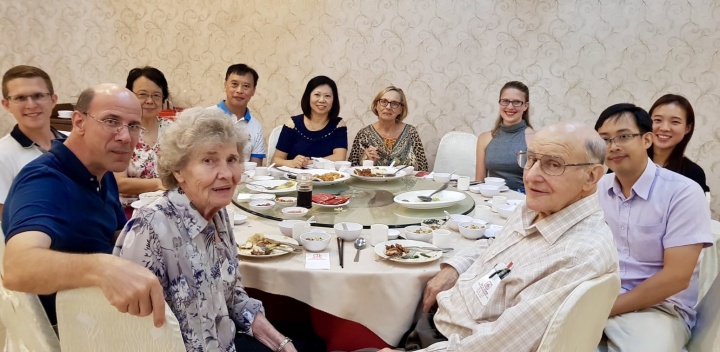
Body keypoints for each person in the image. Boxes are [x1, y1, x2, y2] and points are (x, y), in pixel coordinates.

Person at [380, 122, 618, 351]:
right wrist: (455, 267)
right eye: (531, 159)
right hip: (442, 316)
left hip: (450, 341)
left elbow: (499, 346)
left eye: (553, 164)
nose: (531, 176)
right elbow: (497, 244)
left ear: (591, 176)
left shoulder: (579, 254)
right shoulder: (538, 208)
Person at [114, 107, 317, 352]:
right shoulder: (150, 228)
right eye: (209, 160)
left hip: (227, 344)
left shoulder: (218, 214)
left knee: (311, 342)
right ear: (178, 170)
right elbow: (130, 332)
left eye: (232, 160)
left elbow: (233, 297)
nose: (226, 174)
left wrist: (281, 343)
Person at [2, 83, 165, 327]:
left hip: (105, 307)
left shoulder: (102, 170)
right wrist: (102, 267)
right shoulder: (45, 180)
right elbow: (17, 268)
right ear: (78, 122)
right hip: (77, 325)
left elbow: (118, 236)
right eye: (111, 121)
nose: (124, 136)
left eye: (133, 126)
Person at [594, 103, 713, 352]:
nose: (613, 146)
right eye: (605, 139)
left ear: (647, 139)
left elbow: (676, 278)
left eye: (624, 136)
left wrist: (606, 308)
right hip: (600, 294)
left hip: (660, 307)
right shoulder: (599, 187)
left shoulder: (683, 192)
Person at [0, 65, 65, 219]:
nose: (31, 105)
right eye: (20, 98)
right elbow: (5, 216)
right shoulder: (2, 154)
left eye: (38, 95)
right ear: (6, 104)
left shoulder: (74, 143)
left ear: (53, 100)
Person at [114, 66, 171, 207]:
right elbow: (119, 183)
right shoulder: (119, 131)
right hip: (128, 212)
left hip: (168, 209)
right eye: (143, 94)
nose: (150, 101)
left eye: (156, 95)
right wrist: (158, 184)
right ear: (129, 95)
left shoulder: (174, 130)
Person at [271, 75, 348, 168]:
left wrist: (310, 162)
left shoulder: (338, 124)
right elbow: (276, 160)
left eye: (327, 96)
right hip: (295, 179)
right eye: (317, 95)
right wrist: (291, 163)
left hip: (327, 179)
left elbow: (339, 157)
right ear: (308, 97)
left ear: (334, 100)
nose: (322, 100)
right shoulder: (292, 124)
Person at [348, 86, 428, 171]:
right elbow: (351, 170)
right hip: (374, 183)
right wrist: (366, 161)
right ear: (376, 105)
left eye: (394, 103)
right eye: (383, 102)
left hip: (406, 183)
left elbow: (423, 169)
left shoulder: (411, 132)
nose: (388, 107)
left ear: (401, 109)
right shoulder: (363, 134)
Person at [475, 81, 535, 190]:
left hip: (521, 202)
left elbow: (537, 183)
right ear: (499, 103)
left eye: (517, 102)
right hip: (491, 201)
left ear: (526, 106)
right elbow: (479, 182)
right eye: (505, 101)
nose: (510, 107)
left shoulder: (535, 139)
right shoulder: (484, 138)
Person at [648, 94, 709, 192]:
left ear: (687, 128)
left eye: (675, 122)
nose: (664, 128)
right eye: (658, 120)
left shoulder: (693, 173)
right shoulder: (628, 162)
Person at [209, 63, 266, 165]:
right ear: (225, 85)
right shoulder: (206, 117)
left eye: (246, 86)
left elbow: (256, 168)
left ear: (253, 91)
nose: (239, 91)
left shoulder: (256, 127)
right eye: (234, 84)